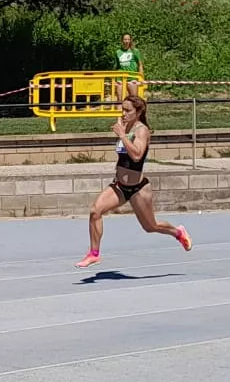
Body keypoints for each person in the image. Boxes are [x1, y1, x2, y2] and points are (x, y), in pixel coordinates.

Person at [76, 93, 191, 267]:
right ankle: (94, 253)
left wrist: (122, 135)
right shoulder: (125, 126)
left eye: (127, 110)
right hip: (119, 186)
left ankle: (177, 232)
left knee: (150, 226)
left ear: (138, 112)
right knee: (95, 211)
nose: (123, 113)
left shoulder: (141, 130)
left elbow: (137, 156)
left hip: (138, 189)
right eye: (122, 109)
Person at [113, 34, 145, 98]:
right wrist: (114, 79)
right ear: (122, 41)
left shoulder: (135, 51)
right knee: (120, 100)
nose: (127, 41)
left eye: (128, 39)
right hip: (120, 78)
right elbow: (116, 66)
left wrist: (141, 77)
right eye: (125, 39)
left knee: (134, 99)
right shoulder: (118, 52)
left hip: (132, 77)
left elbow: (140, 65)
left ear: (130, 40)